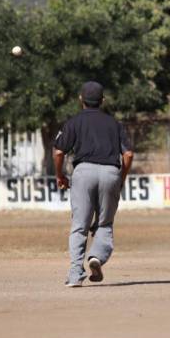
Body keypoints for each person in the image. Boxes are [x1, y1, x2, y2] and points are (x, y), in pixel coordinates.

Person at [53, 81, 133, 287]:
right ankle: (96, 256)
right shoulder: (114, 123)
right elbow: (128, 153)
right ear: (102, 101)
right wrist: (121, 177)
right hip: (110, 171)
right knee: (104, 222)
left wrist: (60, 175)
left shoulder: (74, 122)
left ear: (81, 100)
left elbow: (59, 151)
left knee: (79, 225)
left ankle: (74, 274)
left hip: (83, 171)